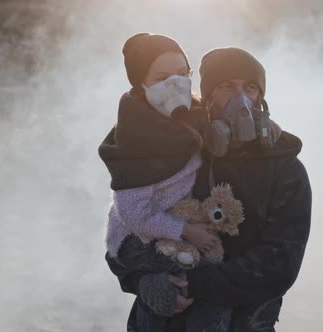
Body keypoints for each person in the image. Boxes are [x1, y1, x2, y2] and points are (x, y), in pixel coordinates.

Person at [106, 46, 312, 331]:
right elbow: (125, 234)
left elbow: (278, 266)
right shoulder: (179, 152)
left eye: (250, 88)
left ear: (261, 100)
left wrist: (192, 283)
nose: (240, 99)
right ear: (207, 97)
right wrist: (143, 283)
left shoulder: (285, 170)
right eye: (226, 86)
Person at [99, 33, 233, 331]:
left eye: (183, 74)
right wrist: (187, 231)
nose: (176, 84)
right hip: (136, 240)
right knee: (192, 278)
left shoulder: (194, 117)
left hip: (170, 231)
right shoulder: (135, 138)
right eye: (162, 77)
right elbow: (134, 215)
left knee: (206, 281)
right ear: (141, 84)